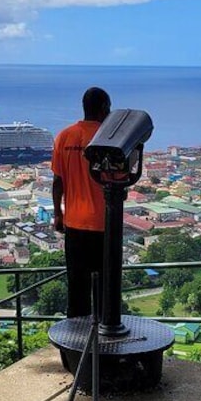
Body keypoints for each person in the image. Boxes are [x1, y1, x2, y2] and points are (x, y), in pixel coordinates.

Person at [51, 87, 111, 317]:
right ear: (104, 108)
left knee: (77, 286)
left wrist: (58, 214)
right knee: (106, 287)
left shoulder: (64, 136)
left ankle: (75, 343)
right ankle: (105, 340)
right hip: (103, 224)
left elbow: (58, 181)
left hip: (74, 223)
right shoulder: (108, 138)